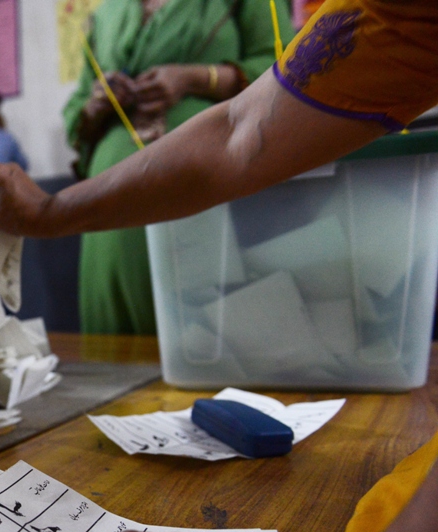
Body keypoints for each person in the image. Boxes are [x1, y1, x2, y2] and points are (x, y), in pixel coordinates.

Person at [0, 0, 438, 532]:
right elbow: (243, 130)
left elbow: (249, 95)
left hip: (211, 234)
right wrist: (52, 209)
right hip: (126, 223)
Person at [65, 0, 293, 335]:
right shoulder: (106, 13)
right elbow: (75, 111)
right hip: (110, 199)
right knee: (115, 346)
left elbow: (287, 70)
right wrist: (98, 103)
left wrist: (194, 78)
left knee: (203, 328)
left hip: (202, 181)